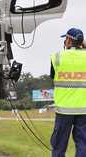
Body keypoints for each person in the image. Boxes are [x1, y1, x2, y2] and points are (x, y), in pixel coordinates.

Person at [50, 28, 86, 157]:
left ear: (69, 40)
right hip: (84, 110)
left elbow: (52, 76)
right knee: (83, 145)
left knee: (59, 145)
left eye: (66, 38)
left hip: (64, 110)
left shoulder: (57, 57)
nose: (65, 41)